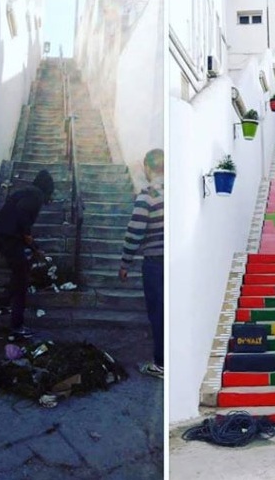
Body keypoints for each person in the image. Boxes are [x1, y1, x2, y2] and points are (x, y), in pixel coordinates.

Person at [0, 169, 54, 337]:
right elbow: (21, 214)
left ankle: (2, 305)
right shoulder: (37, 195)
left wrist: (32, 245)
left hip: (1, 235)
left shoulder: (26, 191)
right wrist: (31, 241)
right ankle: (17, 326)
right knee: (22, 281)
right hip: (11, 238)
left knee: (20, 271)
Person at [119, 149, 164, 379]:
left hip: (157, 264)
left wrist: (125, 262)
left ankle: (161, 365)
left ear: (148, 167)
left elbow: (135, 231)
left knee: (158, 313)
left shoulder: (148, 195)